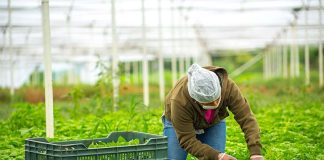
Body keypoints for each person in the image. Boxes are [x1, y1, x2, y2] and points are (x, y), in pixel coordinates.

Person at [162, 64, 264, 160]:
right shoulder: (179, 100)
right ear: (195, 99)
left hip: (213, 121)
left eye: (216, 99)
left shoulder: (228, 87)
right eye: (208, 103)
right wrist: (218, 156)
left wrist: (256, 152)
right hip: (177, 122)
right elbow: (187, 140)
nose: (214, 104)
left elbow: (246, 118)